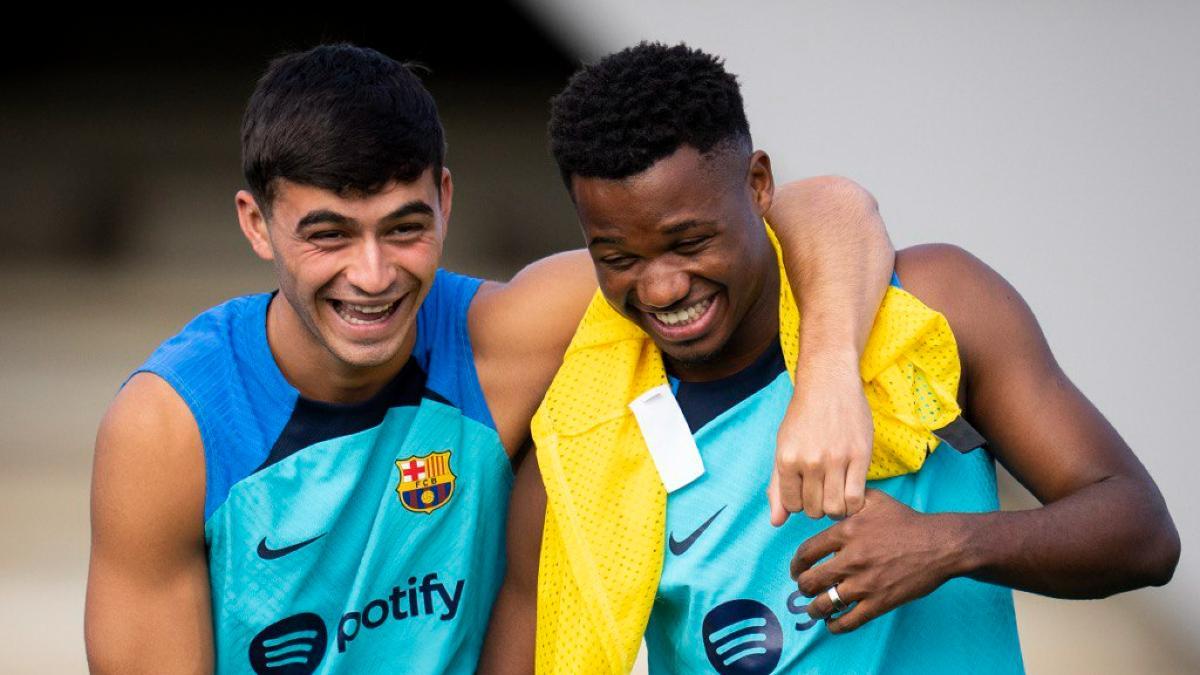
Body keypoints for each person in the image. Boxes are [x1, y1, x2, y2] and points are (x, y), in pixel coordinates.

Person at [83, 44, 899, 673]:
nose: (372, 274)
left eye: (404, 228)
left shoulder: (503, 337)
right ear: (256, 224)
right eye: (329, 235)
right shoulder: (172, 426)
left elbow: (813, 208)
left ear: (445, 198)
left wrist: (829, 379)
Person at [481, 42, 1180, 674]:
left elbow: (1142, 532)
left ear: (759, 185)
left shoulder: (935, 306)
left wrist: (944, 546)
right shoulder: (582, 447)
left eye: (691, 243)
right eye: (618, 257)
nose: (662, 288)